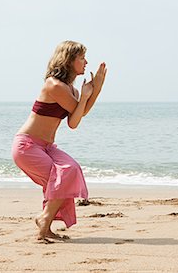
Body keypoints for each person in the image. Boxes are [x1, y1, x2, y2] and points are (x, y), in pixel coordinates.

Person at [12, 40, 107, 240]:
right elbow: (76, 116)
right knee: (62, 177)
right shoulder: (53, 85)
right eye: (81, 58)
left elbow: (76, 119)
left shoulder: (71, 90)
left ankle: (45, 225)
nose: (86, 62)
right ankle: (45, 219)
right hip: (27, 146)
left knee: (71, 170)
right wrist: (86, 95)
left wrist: (95, 89)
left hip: (46, 147)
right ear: (69, 60)